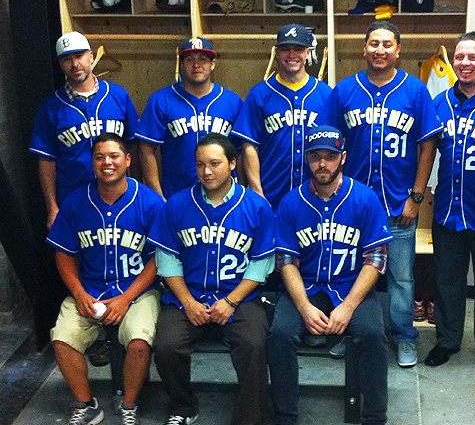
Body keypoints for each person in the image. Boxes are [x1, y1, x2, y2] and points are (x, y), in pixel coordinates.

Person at [326, 20, 441, 366]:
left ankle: (404, 335)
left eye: (387, 44)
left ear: (398, 50)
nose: (380, 50)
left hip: (397, 203)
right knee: (350, 272)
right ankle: (352, 331)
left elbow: (427, 145)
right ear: (364, 49)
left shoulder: (416, 90)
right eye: (373, 43)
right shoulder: (344, 90)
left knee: (401, 276)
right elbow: (329, 145)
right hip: (353, 204)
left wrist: (416, 196)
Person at [268, 125, 393, 425]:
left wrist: (348, 307)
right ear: (306, 159)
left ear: (343, 158)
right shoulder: (291, 202)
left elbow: (375, 259)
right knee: (280, 335)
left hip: (351, 286)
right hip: (306, 288)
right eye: (315, 157)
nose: (323, 164)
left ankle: (375, 417)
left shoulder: (364, 198)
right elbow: (286, 260)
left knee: (373, 334)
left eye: (330, 156)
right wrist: (303, 307)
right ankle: (285, 417)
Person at [148, 133, 276, 425]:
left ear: (233, 163)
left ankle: (249, 419)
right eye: (200, 164)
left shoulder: (256, 206)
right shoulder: (177, 205)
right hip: (187, 295)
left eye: (215, 163)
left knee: (253, 343)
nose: (206, 171)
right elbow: (167, 261)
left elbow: (262, 263)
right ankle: (183, 407)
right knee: (167, 346)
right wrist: (188, 302)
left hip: (240, 297)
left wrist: (231, 301)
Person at [47, 133, 165, 425]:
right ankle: (86, 404)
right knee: (62, 339)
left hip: (137, 290)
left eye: (114, 156)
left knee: (139, 342)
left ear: (127, 160)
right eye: (99, 157)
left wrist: (126, 298)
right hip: (89, 288)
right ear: (93, 162)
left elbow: (158, 259)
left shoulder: (150, 202)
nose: (107, 162)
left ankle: (128, 405)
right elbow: (64, 253)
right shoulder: (75, 201)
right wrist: (79, 293)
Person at [424, 32, 475, 375]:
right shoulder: (439, 102)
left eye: (473, 57)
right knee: (447, 280)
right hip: (447, 210)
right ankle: (447, 340)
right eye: (460, 57)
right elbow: (426, 150)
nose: (465, 63)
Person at [30, 31, 139, 230]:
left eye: (79, 56)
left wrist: (139, 190)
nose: (74, 64)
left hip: (120, 197)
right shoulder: (51, 106)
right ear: (61, 64)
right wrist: (52, 208)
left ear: (91, 57)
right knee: (77, 257)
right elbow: (46, 159)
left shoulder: (118, 95)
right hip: (73, 199)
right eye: (67, 59)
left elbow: (134, 145)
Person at [231, 23, 332, 210]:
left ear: (308, 52)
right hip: (271, 194)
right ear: (276, 52)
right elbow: (249, 146)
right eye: (285, 49)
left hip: (316, 196)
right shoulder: (259, 94)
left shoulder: (326, 94)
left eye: (298, 49)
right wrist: (256, 189)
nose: (292, 55)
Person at [135, 36, 243, 200]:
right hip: (176, 195)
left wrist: (242, 188)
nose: (196, 65)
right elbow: (146, 149)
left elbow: (241, 151)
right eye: (189, 59)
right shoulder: (161, 100)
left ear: (213, 64)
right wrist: (157, 195)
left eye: (203, 59)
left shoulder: (232, 102)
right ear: (181, 64)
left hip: (225, 196)